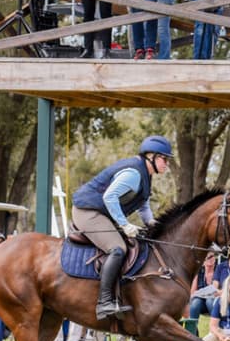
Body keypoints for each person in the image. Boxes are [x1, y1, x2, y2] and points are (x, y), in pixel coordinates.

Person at [71, 135, 172, 318]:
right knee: (117, 249)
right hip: (87, 211)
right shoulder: (134, 173)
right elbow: (109, 197)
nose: (167, 164)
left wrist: (152, 224)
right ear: (151, 156)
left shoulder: (146, 175)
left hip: (103, 213)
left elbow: (143, 205)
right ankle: (104, 302)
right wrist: (124, 224)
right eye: (164, 159)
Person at [186, 248, 221, 320]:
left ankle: (217, 325)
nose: (210, 259)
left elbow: (218, 291)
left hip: (216, 301)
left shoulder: (219, 270)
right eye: (207, 257)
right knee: (195, 303)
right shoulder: (199, 272)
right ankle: (193, 329)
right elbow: (192, 293)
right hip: (201, 303)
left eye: (212, 256)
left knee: (209, 300)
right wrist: (196, 276)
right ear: (202, 261)